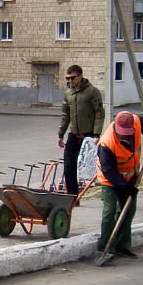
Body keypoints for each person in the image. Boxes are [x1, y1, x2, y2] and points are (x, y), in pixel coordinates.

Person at [95, 111, 143, 258]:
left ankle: (122, 246)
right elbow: (110, 171)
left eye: (128, 133)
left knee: (128, 211)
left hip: (130, 176)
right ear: (115, 127)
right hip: (109, 180)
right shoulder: (106, 144)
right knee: (109, 212)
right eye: (123, 133)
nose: (125, 136)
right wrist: (126, 188)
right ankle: (105, 247)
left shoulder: (135, 122)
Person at [57, 65, 104, 195]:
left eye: (73, 78)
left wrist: (96, 134)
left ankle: (102, 189)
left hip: (88, 134)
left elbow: (99, 113)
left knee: (88, 165)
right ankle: (72, 195)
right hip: (73, 134)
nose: (70, 81)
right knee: (69, 164)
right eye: (68, 79)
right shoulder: (68, 93)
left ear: (80, 76)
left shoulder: (92, 92)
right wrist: (61, 134)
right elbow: (65, 115)